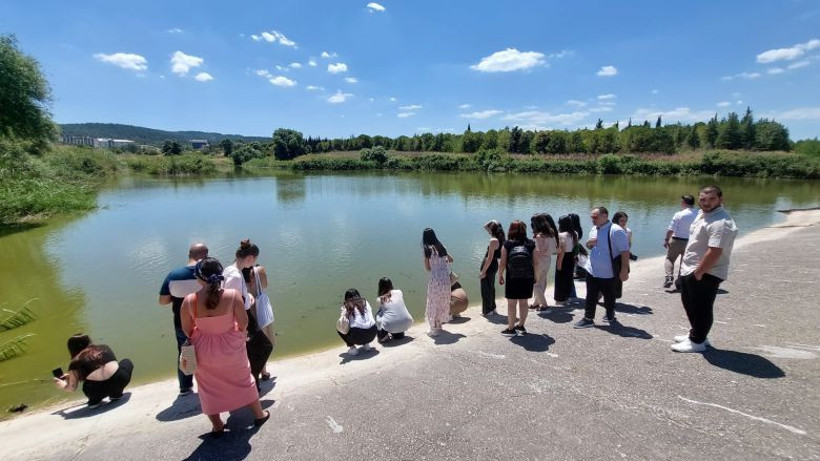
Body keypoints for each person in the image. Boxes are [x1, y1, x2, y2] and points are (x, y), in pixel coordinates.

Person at [181, 257, 269, 435]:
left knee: (207, 386)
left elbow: (187, 330)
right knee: (244, 378)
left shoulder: (189, 300)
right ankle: (259, 415)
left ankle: (218, 425)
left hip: (203, 349)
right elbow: (243, 323)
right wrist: (232, 332)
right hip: (231, 345)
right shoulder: (231, 296)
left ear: (199, 278)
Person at [672, 186, 738, 353]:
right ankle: (696, 333)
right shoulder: (703, 214)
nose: (706, 203)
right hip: (691, 268)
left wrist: (699, 272)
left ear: (720, 199)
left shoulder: (721, 222)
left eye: (711, 199)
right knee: (690, 304)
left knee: (702, 307)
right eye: (702, 199)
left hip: (706, 271)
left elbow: (715, 251)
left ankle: (697, 341)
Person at [158, 242, 208, 396]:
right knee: (209, 350)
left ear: (189, 254)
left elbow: (163, 301)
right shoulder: (209, 272)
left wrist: (178, 298)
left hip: (182, 322)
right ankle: (210, 380)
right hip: (207, 320)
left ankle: (185, 387)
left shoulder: (174, 275)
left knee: (186, 351)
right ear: (206, 255)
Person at [224, 239, 272, 387]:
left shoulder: (229, 270)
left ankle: (252, 381)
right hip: (242, 319)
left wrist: (247, 297)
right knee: (265, 347)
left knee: (253, 351)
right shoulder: (235, 276)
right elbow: (230, 303)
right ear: (250, 257)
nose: (253, 263)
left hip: (242, 315)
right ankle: (250, 379)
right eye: (254, 259)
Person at [573, 207, 630, 329]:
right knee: (591, 295)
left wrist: (624, 270)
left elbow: (625, 252)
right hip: (592, 269)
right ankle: (588, 318)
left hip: (608, 271)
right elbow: (589, 245)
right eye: (591, 217)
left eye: (595, 217)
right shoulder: (595, 228)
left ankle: (610, 316)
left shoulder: (616, 230)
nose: (592, 219)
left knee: (609, 296)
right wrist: (589, 243)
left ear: (605, 216)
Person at [53, 334, 134, 409]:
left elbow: (71, 388)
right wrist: (71, 376)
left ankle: (95, 401)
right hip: (119, 381)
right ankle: (116, 393)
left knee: (92, 384)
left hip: (96, 392)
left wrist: (62, 385)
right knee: (126, 362)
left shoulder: (74, 363)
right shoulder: (104, 347)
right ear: (89, 341)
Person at [498, 220, 536, 336]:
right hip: (527, 277)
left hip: (512, 277)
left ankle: (510, 329)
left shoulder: (507, 244)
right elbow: (536, 262)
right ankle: (521, 326)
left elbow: (503, 263)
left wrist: (500, 275)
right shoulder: (531, 243)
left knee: (511, 303)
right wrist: (536, 277)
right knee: (524, 302)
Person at [244, 263, 275, 380]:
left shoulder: (238, 272)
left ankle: (251, 370)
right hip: (260, 310)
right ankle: (264, 371)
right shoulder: (259, 270)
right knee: (264, 341)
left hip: (247, 311)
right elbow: (265, 285)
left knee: (250, 343)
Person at [422, 228, 453, 336]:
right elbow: (451, 259)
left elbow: (427, 267)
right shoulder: (442, 247)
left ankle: (434, 328)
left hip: (435, 279)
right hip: (445, 278)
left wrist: (435, 268)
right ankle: (439, 324)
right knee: (442, 301)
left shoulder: (427, 249)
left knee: (433, 301)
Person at [664, 195, 698, 289]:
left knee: (670, 259)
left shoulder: (679, 214)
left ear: (684, 203)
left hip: (677, 240)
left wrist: (666, 239)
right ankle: (680, 283)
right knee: (685, 262)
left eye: (681, 202)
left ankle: (669, 277)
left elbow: (671, 229)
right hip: (691, 241)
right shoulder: (699, 214)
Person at [338, 288, 378, 355]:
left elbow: (342, 323)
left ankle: (352, 348)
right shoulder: (365, 302)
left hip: (357, 336)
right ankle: (366, 345)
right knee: (363, 323)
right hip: (373, 333)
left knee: (340, 327)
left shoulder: (346, 305)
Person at [531, 214, 558, 311]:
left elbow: (540, 250)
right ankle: (536, 303)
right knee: (542, 281)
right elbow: (555, 247)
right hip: (548, 259)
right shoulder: (551, 232)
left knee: (536, 284)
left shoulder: (539, 236)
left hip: (539, 260)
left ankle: (544, 305)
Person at [478, 220, 504, 317]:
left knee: (486, 288)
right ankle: (493, 308)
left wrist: (483, 271)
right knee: (491, 287)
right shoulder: (500, 239)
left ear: (492, 229)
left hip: (489, 264)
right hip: (494, 265)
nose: (488, 230)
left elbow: (489, 258)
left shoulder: (493, 240)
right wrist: (494, 221)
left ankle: (487, 311)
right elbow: (485, 226)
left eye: (490, 228)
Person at [375, 278, 413, 343]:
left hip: (391, 324)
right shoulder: (399, 292)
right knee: (394, 311)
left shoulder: (380, 299)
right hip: (408, 322)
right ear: (391, 285)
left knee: (378, 315)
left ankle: (382, 336)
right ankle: (399, 334)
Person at [554, 215, 578, 306]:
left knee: (560, 278)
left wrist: (559, 263)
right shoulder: (574, 233)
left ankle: (560, 299)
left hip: (564, 257)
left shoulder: (561, 235)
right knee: (568, 277)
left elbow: (562, 250)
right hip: (571, 256)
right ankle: (566, 297)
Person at [611, 211, 632, 299]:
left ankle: (612, 299)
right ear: (616, 220)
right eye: (622, 220)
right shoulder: (612, 229)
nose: (624, 223)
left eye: (625, 221)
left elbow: (629, 245)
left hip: (621, 258)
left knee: (618, 279)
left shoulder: (628, 231)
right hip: (612, 257)